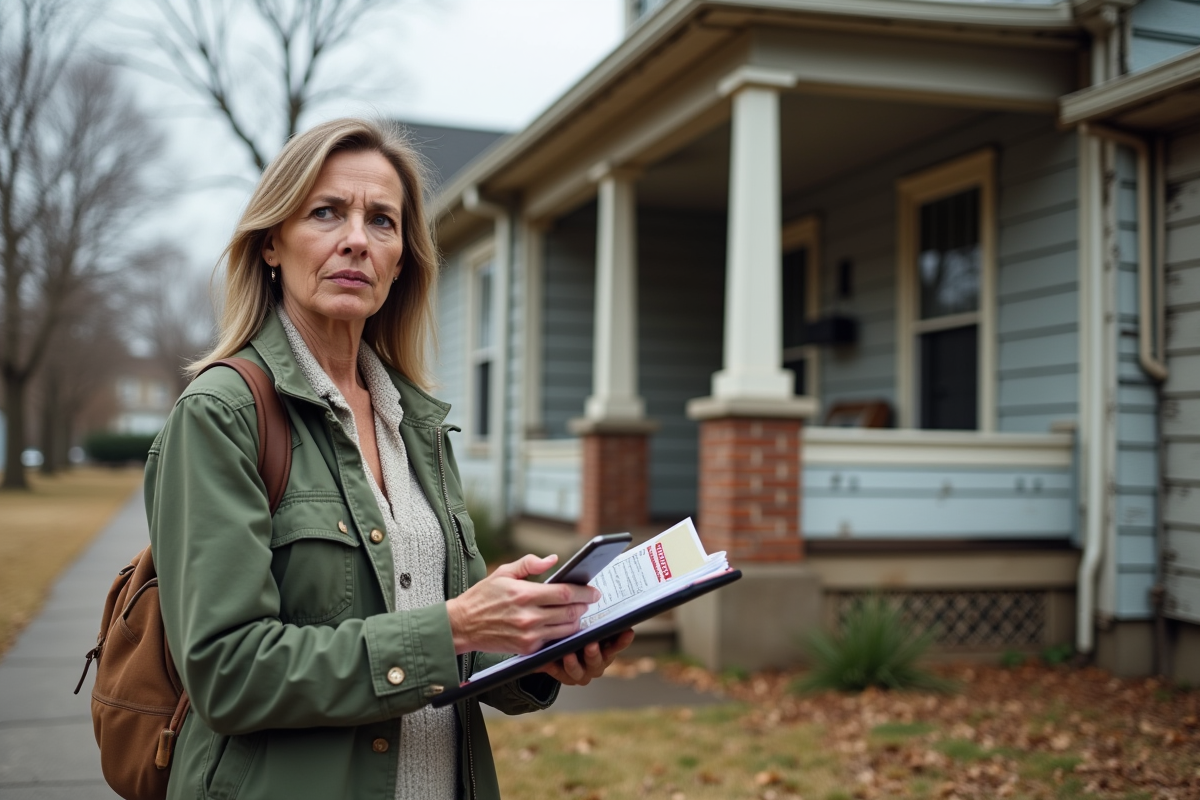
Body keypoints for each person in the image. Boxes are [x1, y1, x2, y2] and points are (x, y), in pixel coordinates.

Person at [145, 117, 635, 800]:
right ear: (271, 244)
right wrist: (455, 626)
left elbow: (449, 643)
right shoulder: (222, 415)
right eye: (326, 212)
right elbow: (227, 673)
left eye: (381, 220)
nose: (356, 239)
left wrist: (538, 647)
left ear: (400, 260)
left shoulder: (416, 424)